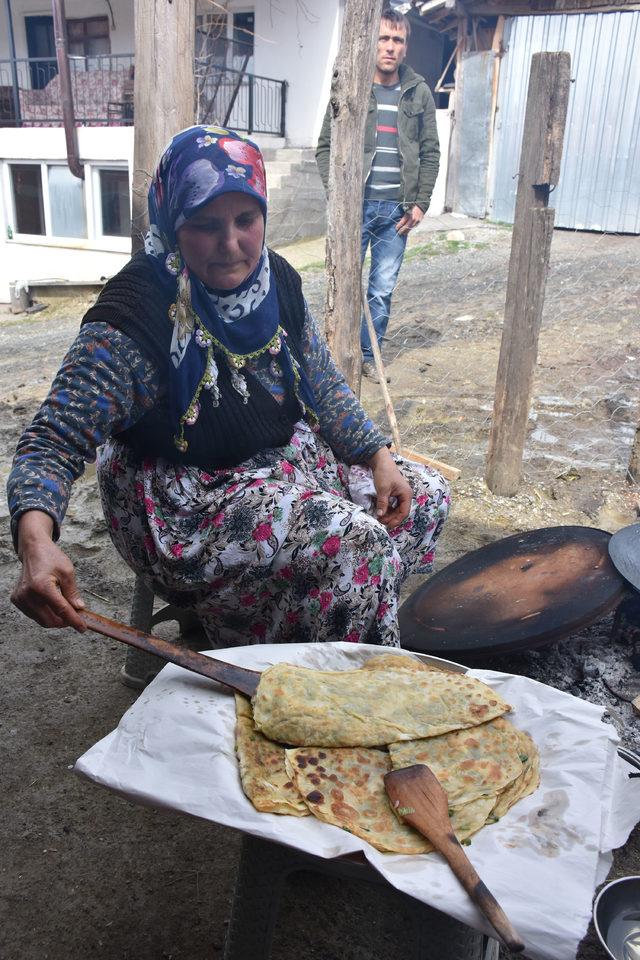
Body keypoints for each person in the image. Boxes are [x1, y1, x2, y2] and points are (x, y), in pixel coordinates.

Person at [8, 124, 450, 651]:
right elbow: (51, 441)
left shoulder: (276, 280)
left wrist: (377, 456)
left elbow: (323, 381)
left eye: (246, 220)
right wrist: (35, 541)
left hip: (277, 462)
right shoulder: (137, 314)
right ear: (173, 223)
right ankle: (324, 683)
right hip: (185, 501)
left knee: (421, 497)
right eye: (204, 224)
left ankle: (304, 633)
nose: (231, 243)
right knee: (353, 543)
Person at [315, 6, 440, 383]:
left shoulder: (418, 92)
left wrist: (421, 203)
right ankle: (337, 354)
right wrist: (339, 198)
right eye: (383, 38)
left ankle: (369, 356)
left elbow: (431, 151)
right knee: (344, 282)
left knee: (381, 289)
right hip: (355, 209)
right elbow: (325, 147)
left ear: (405, 47)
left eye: (397, 40)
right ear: (371, 43)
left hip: (397, 212)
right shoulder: (351, 89)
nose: (389, 47)